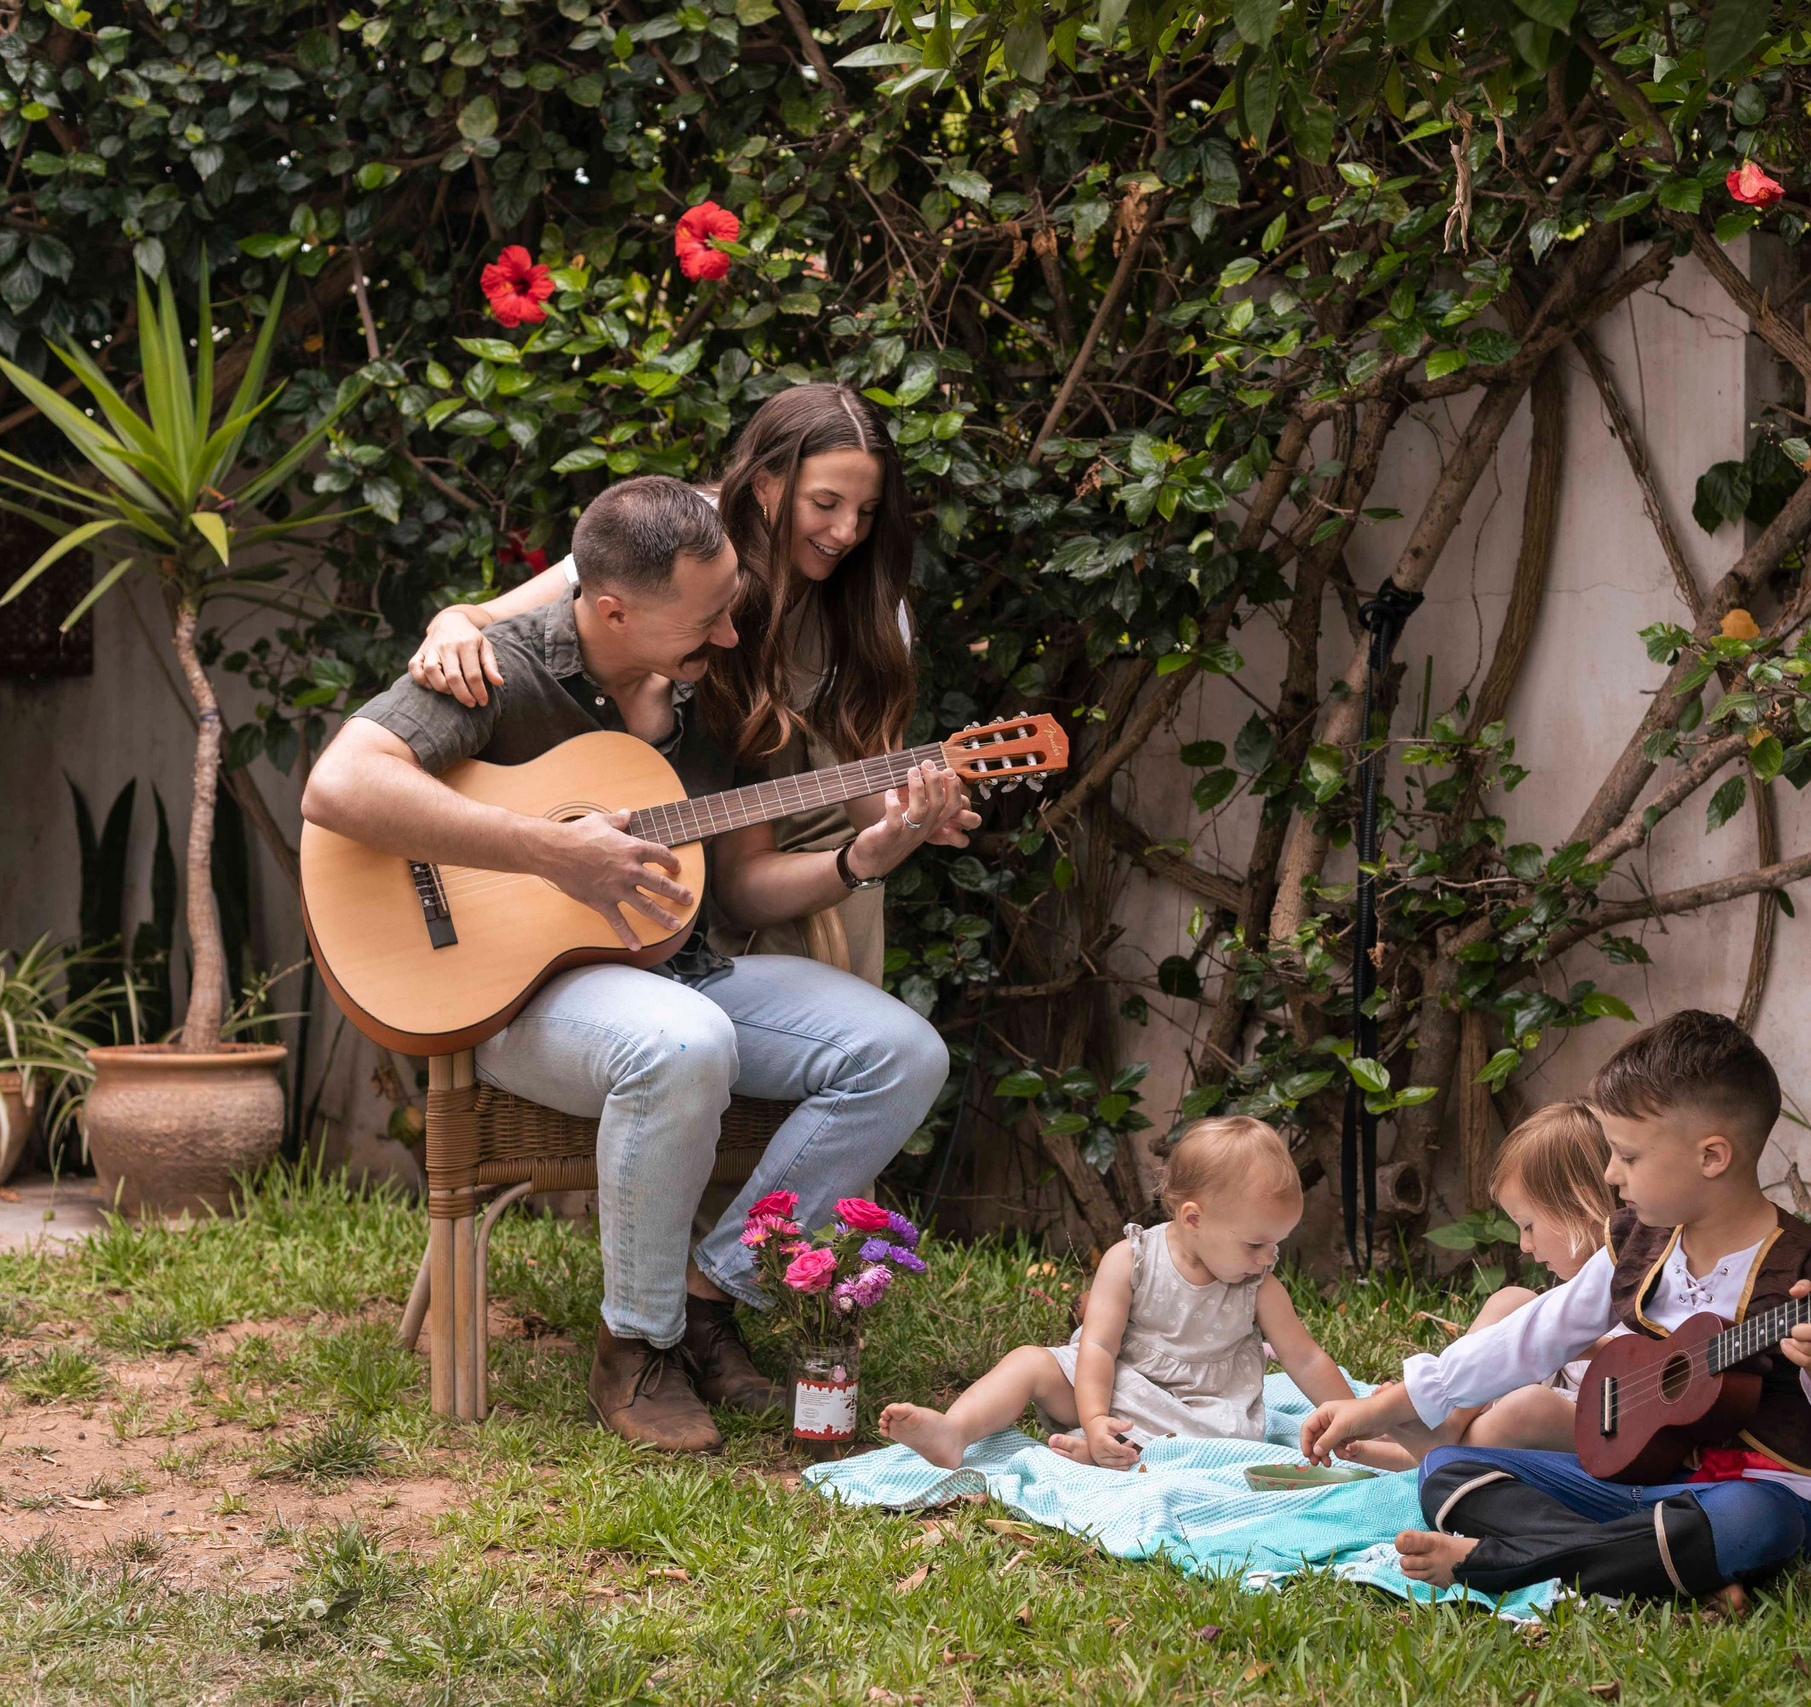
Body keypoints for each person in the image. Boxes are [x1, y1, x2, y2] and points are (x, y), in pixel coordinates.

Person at [299, 476, 958, 1455]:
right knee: (682, 1044)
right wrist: (552, 852)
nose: (730, 636)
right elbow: (339, 785)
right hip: (509, 998)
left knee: (903, 1053)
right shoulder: (499, 668)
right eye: (704, 620)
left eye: (730, 608)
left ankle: (708, 1295)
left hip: (674, 968)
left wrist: (866, 856)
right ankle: (635, 1348)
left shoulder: (718, 689)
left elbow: (738, 894)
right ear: (614, 609)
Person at [1299, 1011, 1811, 1605]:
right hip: (1623, 1485)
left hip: (1736, 1495)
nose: (1612, 1174)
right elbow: (1530, 1337)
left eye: (1629, 1156)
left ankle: (1506, 1562)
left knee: (1757, 1521)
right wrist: (1381, 1408)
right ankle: (1648, 1566)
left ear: (1712, 1157)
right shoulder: (1637, 1245)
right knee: (1450, 1472)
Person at [406, 382, 927, 983]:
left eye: (866, 512)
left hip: (786, 837)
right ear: (764, 483)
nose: (845, 533)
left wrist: (912, 818)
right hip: (674, 826)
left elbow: (869, 786)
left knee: (863, 1036)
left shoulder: (871, 610)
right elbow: (513, 616)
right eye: (826, 503)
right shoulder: (682, 537)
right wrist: (450, 623)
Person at [877, 1116, 1360, 1471]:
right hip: (1113, 1386)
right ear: (1194, 1218)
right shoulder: (1131, 1260)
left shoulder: (1259, 1286)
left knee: (1219, 1443)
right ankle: (955, 1432)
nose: (1268, 1256)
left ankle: (1109, 1457)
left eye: (1277, 1243)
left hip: (1201, 1411)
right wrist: (1094, 1416)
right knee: (1028, 1361)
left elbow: (1306, 1359)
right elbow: (1099, 1346)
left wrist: (1354, 1419)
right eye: (1256, 1242)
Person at [1337, 1101, 1616, 1470]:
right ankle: (1447, 1425)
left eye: (1528, 1225)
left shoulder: (1637, 1270)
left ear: (1578, 1206)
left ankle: (1437, 1455)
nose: (1524, 1244)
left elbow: (1654, 1352)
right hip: (1564, 1391)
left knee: (1528, 1407)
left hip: (1611, 1421)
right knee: (1512, 1299)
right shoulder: (1581, 1285)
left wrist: (1578, 1346)